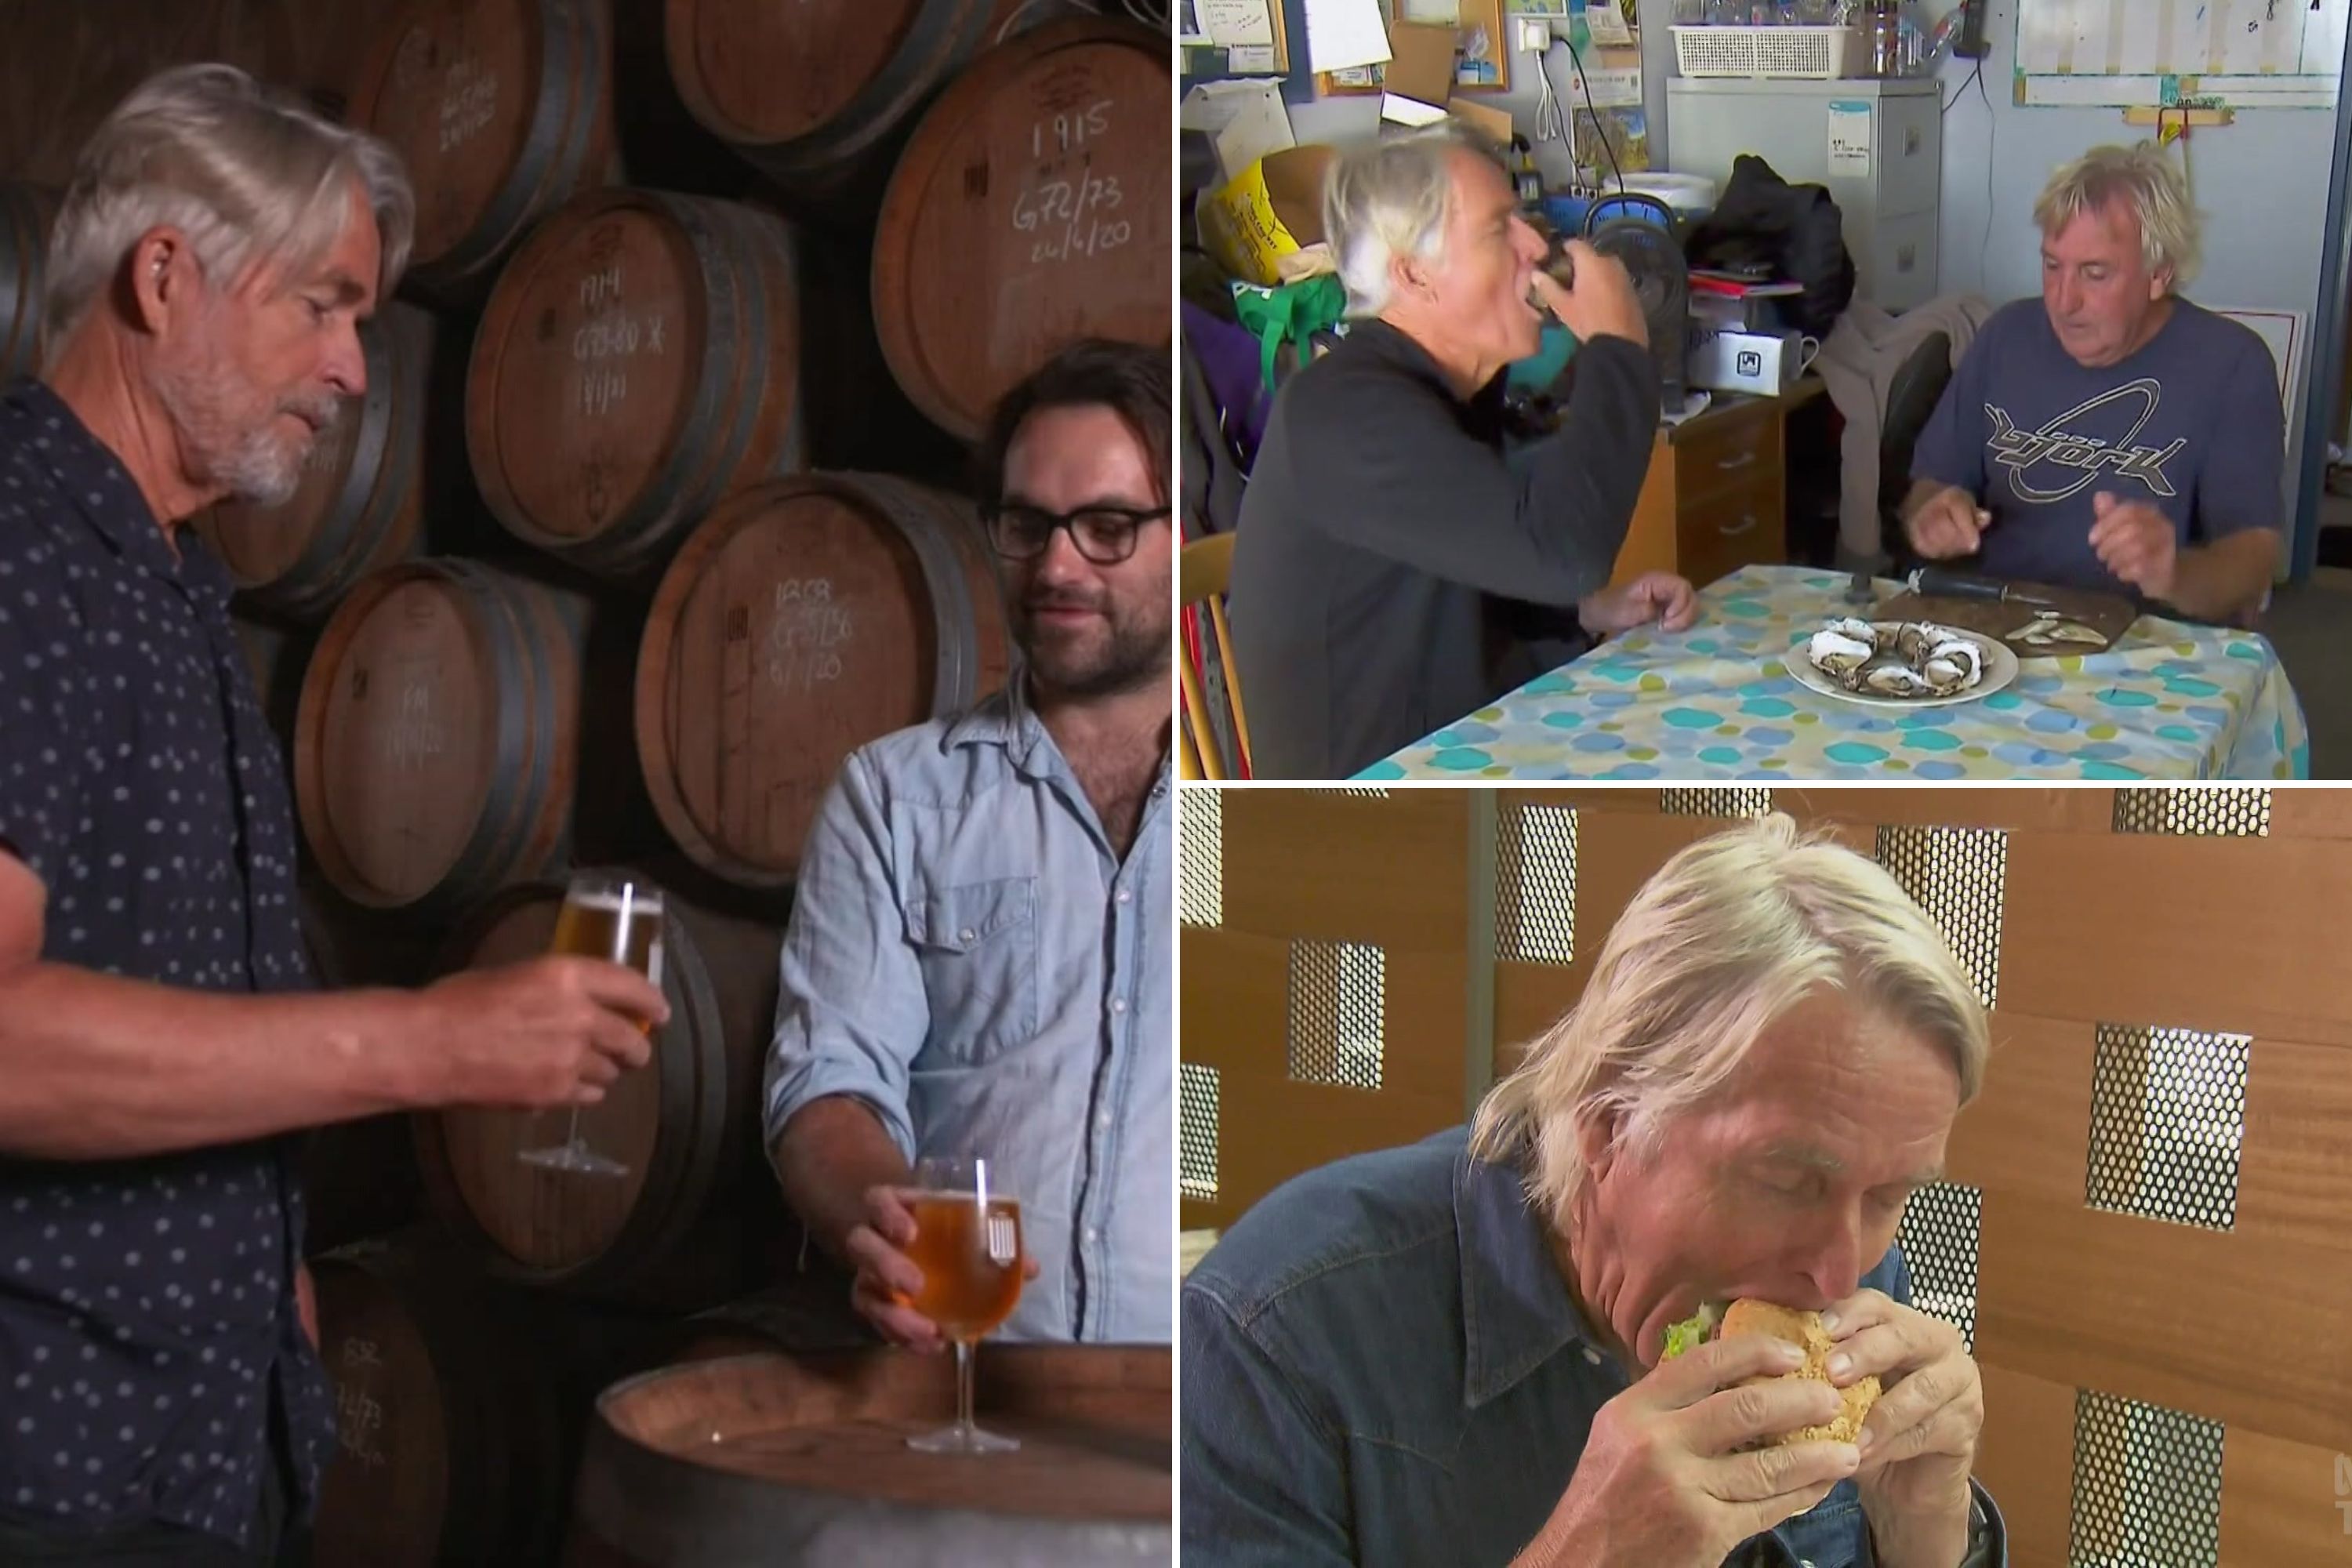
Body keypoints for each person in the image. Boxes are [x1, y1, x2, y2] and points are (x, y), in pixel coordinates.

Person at [0, 66, 668, 1564]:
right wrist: (432, 1041)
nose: (357, 370)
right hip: (48, 1467)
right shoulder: (20, 555)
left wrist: (260, 1278)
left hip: (193, 1452)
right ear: (163, 278)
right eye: (322, 304)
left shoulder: (168, 588)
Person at [1183, 815, 2009, 1568]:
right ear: (1610, 1122)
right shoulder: (1269, 1338)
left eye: (1888, 1194)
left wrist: (1926, 1531)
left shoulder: (1851, 1277)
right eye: (1789, 1180)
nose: (1840, 1272)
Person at [764, 339, 1171, 1349]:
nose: (1058, 565)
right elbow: (828, 1083)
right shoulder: (895, 796)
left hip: (1200, 1415)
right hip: (965, 1382)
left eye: (1109, 527)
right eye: (1027, 526)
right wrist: (885, 1221)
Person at [1228, 121, 1697, 780]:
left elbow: (1455, 567)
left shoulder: (1437, 391)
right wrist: (1618, 346)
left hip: (1468, 749)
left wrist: (1582, 611)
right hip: (1371, 815)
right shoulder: (1348, 416)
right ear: (1414, 275)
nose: (1536, 246)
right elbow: (1565, 553)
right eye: (1498, 229)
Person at [1901, 142, 2281, 622]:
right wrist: (1932, 514)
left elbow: (2253, 557)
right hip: (1994, 627)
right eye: (2052, 266)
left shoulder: (2232, 365)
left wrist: (2174, 574)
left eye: (2095, 274)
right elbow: (1929, 485)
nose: (2064, 301)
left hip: (2146, 642)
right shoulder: (2005, 337)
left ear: (2159, 273)